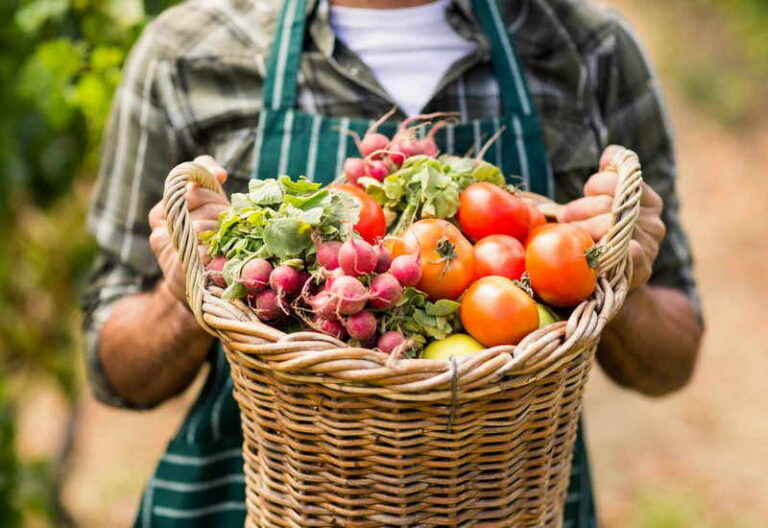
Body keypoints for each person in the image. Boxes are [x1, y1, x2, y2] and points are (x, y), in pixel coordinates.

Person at [81, 0, 704, 526]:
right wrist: (189, 289)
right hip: (249, 498)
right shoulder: (188, 53)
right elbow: (116, 374)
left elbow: (670, 363)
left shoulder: (589, 50)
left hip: (505, 495)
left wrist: (619, 273)